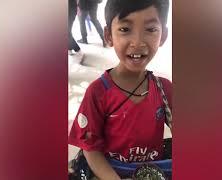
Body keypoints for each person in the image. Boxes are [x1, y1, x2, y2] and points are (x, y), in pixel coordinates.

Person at [68, 0, 171, 179]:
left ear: (163, 36)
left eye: (150, 29)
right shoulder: (98, 93)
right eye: (125, 29)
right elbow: (90, 149)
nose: (137, 42)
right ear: (108, 35)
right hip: (111, 173)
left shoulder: (164, 89)